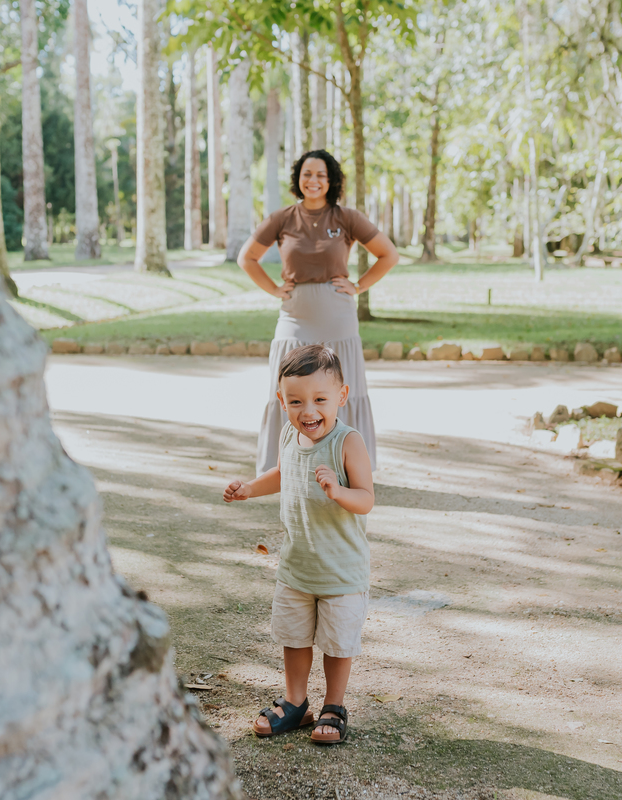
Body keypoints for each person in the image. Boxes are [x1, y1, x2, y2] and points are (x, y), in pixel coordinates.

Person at [223, 344, 374, 745]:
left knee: (337, 643)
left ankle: (334, 706)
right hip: (296, 567)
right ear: (281, 401)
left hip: (341, 570)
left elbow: (366, 498)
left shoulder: (347, 442)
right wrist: (250, 489)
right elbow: (281, 473)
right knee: (294, 637)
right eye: (296, 401)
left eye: (320, 400)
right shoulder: (289, 435)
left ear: (341, 397)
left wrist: (339, 491)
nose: (308, 411)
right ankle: (296, 703)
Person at [236, 149, 399, 475]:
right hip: (294, 316)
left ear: (331, 180)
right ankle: (283, 468)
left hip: (338, 317)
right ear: (298, 178)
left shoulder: (346, 218)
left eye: (320, 175)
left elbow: (388, 255)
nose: (313, 181)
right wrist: (273, 289)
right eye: (307, 174)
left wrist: (359, 285)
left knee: (340, 390)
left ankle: (349, 468)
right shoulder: (282, 218)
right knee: (287, 389)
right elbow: (247, 258)